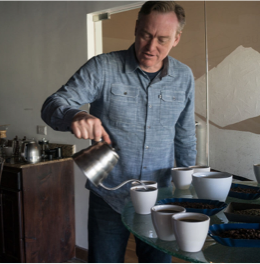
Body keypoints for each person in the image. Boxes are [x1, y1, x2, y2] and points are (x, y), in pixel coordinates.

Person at [41, 0, 196, 263]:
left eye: (162, 39)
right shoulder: (103, 67)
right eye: (146, 34)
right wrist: (75, 114)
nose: (151, 47)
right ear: (136, 28)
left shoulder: (184, 77)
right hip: (109, 194)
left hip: (161, 198)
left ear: (176, 39)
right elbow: (52, 104)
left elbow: (185, 136)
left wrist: (188, 190)